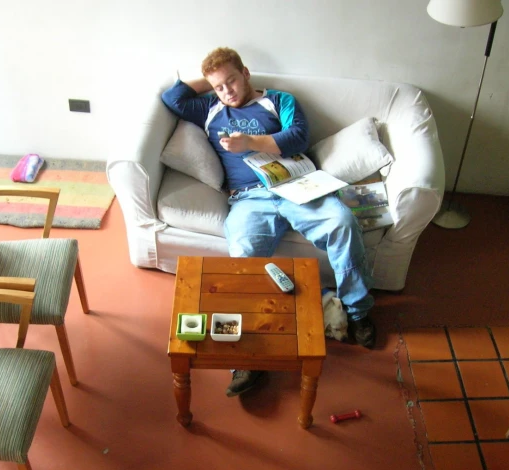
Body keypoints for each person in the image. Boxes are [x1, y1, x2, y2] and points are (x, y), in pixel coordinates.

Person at [161, 47, 376, 398]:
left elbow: (298, 136)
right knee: (243, 258)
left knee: (342, 222)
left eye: (232, 79)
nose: (227, 91)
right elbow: (173, 97)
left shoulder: (279, 100)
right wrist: (213, 75)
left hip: (295, 184)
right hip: (248, 197)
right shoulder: (211, 108)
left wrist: (251, 142)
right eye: (219, 86)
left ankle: (358, 311)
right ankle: (246, 358)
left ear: (246, 73)